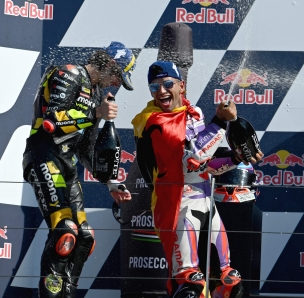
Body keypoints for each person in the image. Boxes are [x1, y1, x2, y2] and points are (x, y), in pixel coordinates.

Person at [131, 60, 263, 298]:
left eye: (167, 83)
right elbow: (194, 157)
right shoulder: (153, 121)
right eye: (154, 87)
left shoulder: (194, 114)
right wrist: (221, 122)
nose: (161, 91)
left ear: (181, 86)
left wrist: (235, 159)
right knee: (189, 285)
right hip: (176, 207)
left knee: (228, 282)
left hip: (205, 202)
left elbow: (204, 167)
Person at [22, 41, 135, 298]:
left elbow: (85, 148)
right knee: (65, 230)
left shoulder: (95, 94)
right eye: (118, 76)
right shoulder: (68, 72)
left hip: (68, 164)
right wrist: (96, 113)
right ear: (108, 63)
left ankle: (68, 293)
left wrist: (110, 183)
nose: (116, 83)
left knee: (84, 237)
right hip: (43, 156)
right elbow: (52, 122)